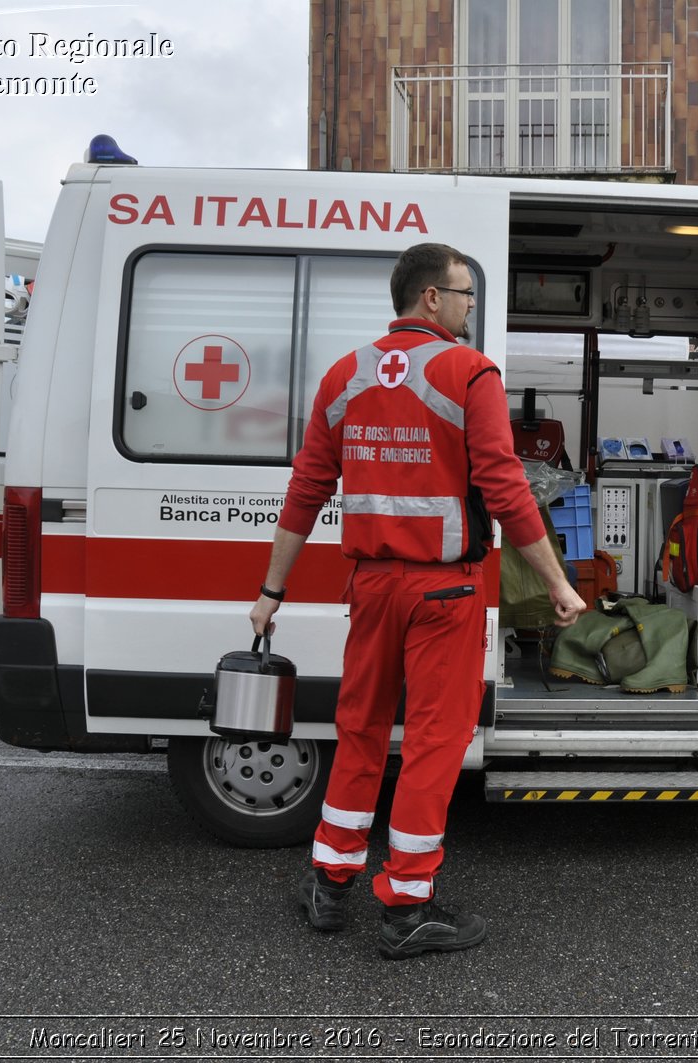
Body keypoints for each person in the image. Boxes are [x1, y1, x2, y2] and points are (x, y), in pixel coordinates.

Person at [250, 242, 584, 959]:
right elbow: (505, 486)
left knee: (361, 727)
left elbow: (307, 487)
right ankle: (407, 906)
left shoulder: (344, 376)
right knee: (434, 741)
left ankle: (329, 881)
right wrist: (558, 582)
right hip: (447, 590)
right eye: (465, 293)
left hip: (371, 584)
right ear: (431, 297)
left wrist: (270, 590)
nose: (470, 306)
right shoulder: (470, 373)